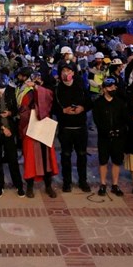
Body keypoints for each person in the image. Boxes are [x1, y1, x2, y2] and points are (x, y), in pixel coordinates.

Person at [17, 69, 58, 198]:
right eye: (34, 79)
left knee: (46, 159)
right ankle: (29, 186)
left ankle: (48, 185)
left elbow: (48, 100)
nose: (37, 81)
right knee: (30, 158)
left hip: (44, 126)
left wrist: (36, 87)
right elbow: (22, 108)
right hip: (30, 127)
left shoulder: (46, 90)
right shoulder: (25, 91)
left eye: (39, 79)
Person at [53, 65, 90, 193]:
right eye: (64, 70)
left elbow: (89, 102)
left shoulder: (81, 86)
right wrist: (63, 110)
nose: (66, 73)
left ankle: (83, 181)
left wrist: (82, 108)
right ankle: (67, 182)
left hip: (80, 127)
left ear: (73, 72)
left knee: (82, 155)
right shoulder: (57, 89)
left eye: (68, 70)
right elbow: (53, 107)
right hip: (65, 128)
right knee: (66, 156)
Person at [0, 74, 23, 197]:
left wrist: (10, 113)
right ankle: (0, 185)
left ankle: (18, 185)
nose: (1, 91)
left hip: (10, 131)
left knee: (13, 159)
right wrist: (2, 128)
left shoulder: (12, 92)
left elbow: (18, 110)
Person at [93, 77, 128, 197]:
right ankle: (103, 184)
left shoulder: (120, 102)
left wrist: (119, 130)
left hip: (118, 137)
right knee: (103, 161)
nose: (113, 88)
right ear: (104, 89)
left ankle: (115, 184)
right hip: (104, 137)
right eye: (110, 87)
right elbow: (97, 120)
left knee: (116, 161)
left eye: (114, 86)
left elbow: (124, 119)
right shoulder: (98, 103)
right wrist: (106, 131)